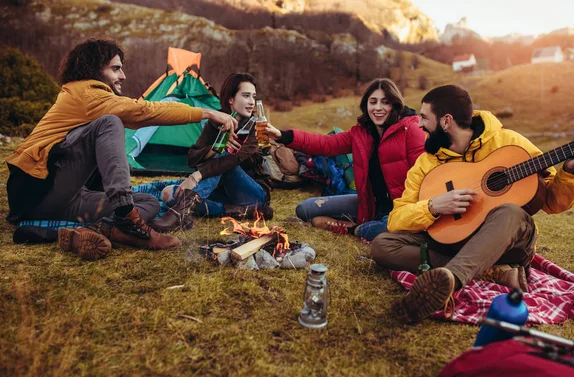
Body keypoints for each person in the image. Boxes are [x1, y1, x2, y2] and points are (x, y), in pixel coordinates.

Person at [370, 84, 574, 323]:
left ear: (446, 121)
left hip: (508, 243)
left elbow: (553, 203)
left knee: (510, 211)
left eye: (425, 117)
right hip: (453, 240)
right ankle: (493, 274)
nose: (418, 124)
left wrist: (571, 170)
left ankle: (449, 279)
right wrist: (433, 207)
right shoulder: (425, 163)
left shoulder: (510, 143)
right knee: (382, 245)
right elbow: (396, 220)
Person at [4, 38, 237, 260]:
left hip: (66, 196)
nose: (123, 76)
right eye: (115, 69)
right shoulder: (85, 93)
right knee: (110, 122)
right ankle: (128, 223)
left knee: (149, 203)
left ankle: (78, 231)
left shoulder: (93, 97)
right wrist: (207, 112)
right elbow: (144, 111)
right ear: (94, 69)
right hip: (36, 190)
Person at [259, 78, 426, 242]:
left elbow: (424, 178)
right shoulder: (361, 133)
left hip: (402, 210)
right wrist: (283, 135)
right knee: (305, 209)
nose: (378, 108)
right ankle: (365, 226)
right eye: (373, 102)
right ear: (366, 105)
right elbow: (325, 144)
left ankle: (354, 228)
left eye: (385, 102)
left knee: (381, 232)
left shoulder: (411, 129)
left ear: (395, 104)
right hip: (370, 203)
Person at [149, 73, 272, 232]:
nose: (251, 102)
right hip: (222, 191)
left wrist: (197, 175)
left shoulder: (258, 126)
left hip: (253, 193)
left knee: (225, 155)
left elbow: (235, 159)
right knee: (168, 194)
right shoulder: (215, 122)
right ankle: (237, 211)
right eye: (246, 95)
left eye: (253, 97)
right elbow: (192, 158)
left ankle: (180, 213)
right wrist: (213, 148)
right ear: (230, 99)